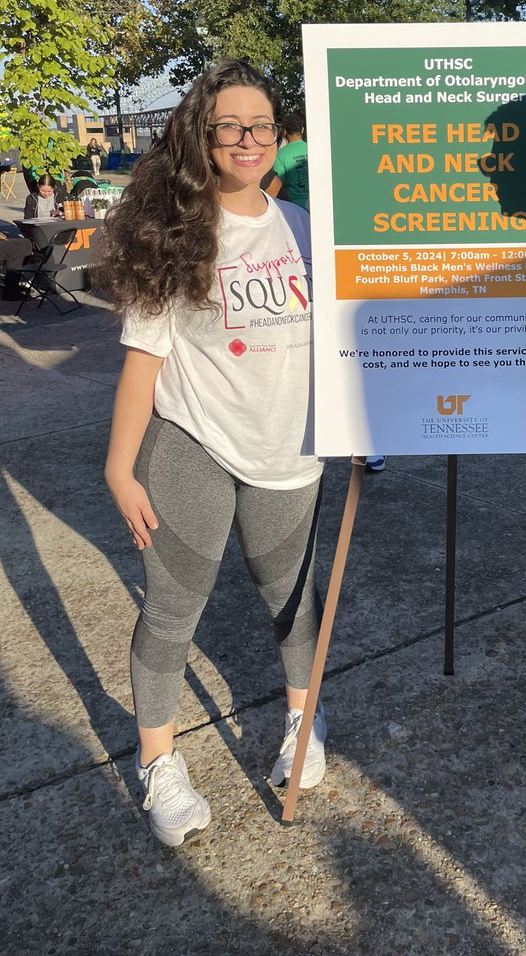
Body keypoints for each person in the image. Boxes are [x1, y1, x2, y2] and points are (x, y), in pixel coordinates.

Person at [100, 59, 327, 848]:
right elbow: (144, 360)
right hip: (193, 444)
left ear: (278, 134)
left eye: (260, 125)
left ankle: (303, 719)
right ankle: (158, 762)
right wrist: (118, 467)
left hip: (290, 449)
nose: (246, 139)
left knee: (293, 602)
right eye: (229, 125)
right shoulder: (178, 231)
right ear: (202, 135)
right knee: (170, 610)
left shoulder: (302, 226)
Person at [266, 110, 309, 208]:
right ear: (302, 130)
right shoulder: (313, 150)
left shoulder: (281, 155)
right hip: (314, 205)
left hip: (292, 208)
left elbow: (277, 186)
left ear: (284, 131)